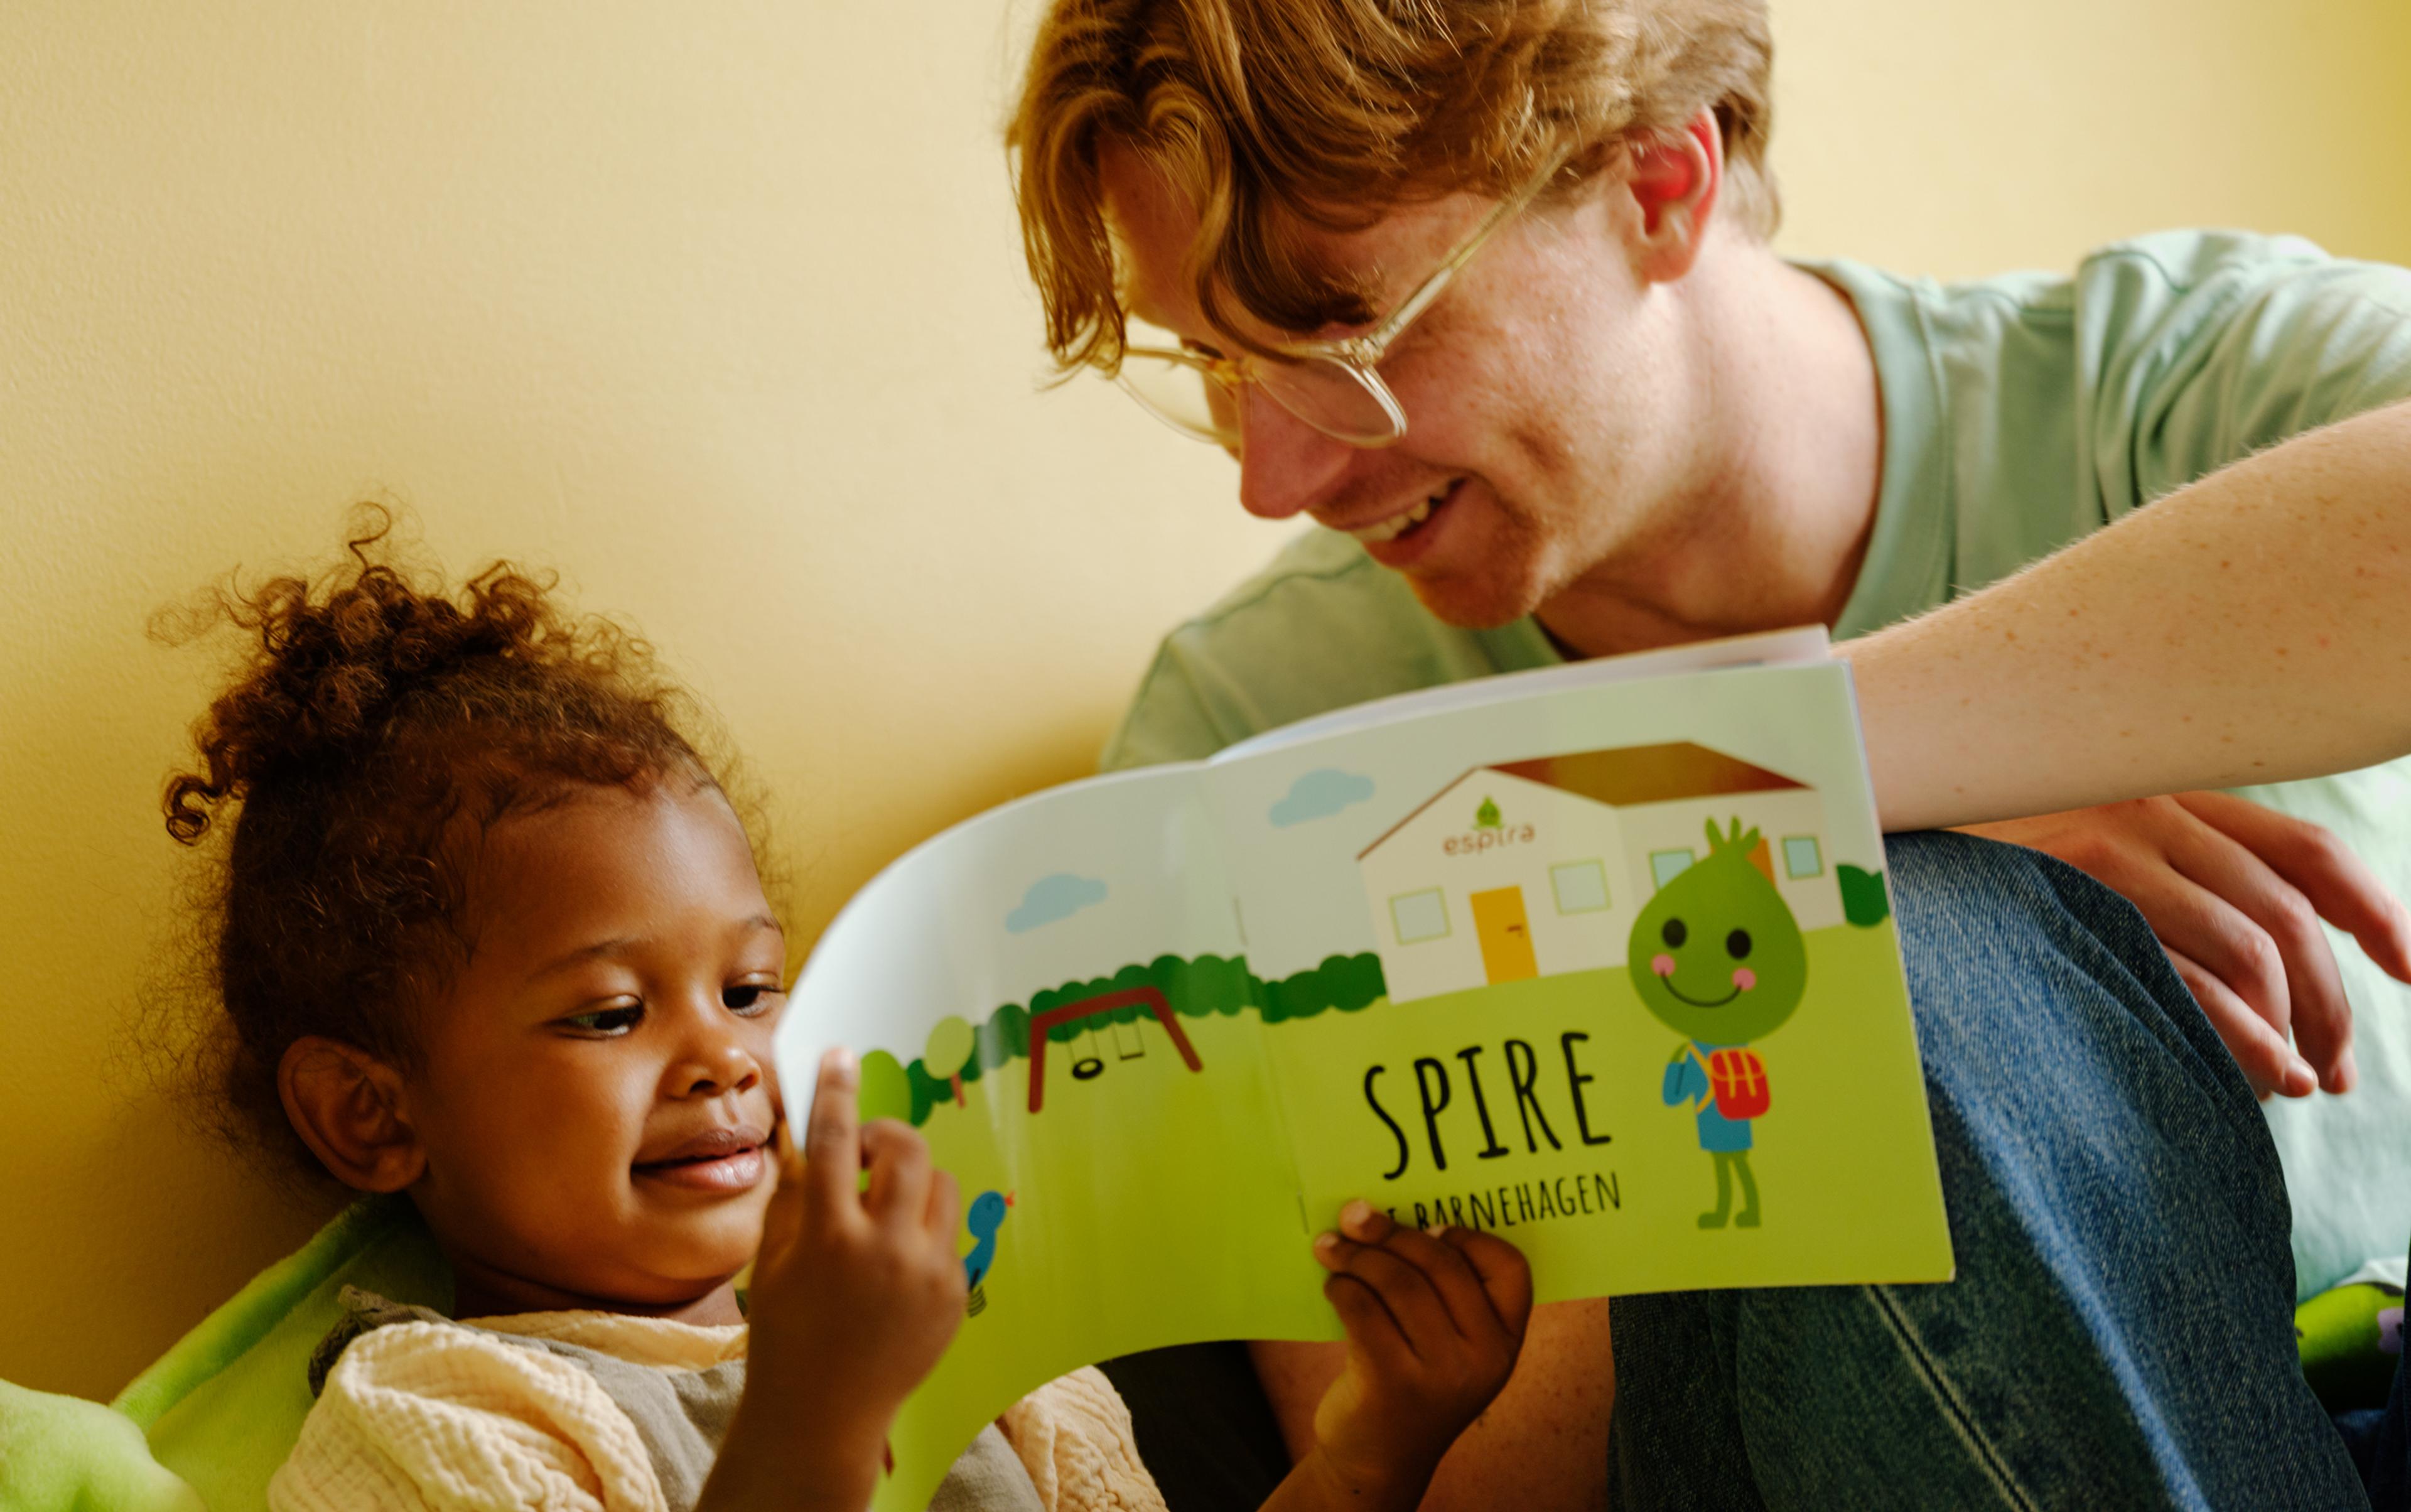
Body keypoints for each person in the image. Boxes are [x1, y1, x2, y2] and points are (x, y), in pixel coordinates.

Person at [1004, 0, 2411, 1504]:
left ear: (1659, 184)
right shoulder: (1253, 731)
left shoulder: (2187, 386)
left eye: (1343, 327)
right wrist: (1813, 928)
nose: (1276, 476)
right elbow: (1452, 1482)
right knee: (1889, 992)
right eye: (1213, 361)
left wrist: (1813, 784)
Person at [156, 516, 1535, 1512]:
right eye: (610, 1013)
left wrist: (1377, 1445)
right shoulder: (436, 1423)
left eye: (752, 989)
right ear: (371, 1110)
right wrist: (816, 1407)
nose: (723, 1056)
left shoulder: (994, 1357)